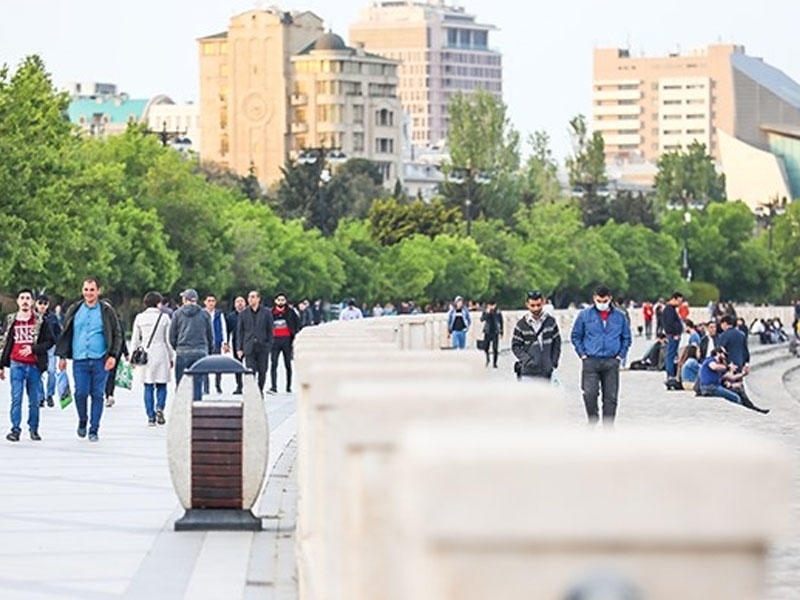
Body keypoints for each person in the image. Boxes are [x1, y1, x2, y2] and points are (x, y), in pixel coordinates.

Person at [56, 278, 124, 442]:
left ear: (98, 291)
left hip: (100, 358)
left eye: (92, 289)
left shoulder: (106, 310)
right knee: (80, 393)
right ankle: (82, 420)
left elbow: (117, 334)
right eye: (86, 289)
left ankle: (94, 428)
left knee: (97, 395)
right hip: (80, 359)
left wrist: (113, 356)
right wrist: (62, 356)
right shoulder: (75, 309)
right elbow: (66, 333)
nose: (88, 293)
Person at [570, 285, 632, 425]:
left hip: (611, 360)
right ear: (594, 298)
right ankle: (593, 418)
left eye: (604, 301)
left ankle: (608, 425)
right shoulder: (584, 315)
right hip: (591, 360)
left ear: (609, 299)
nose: (601, 304)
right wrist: (582, 354)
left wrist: (620, 355)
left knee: (611, 397)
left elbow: (626, 337)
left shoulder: (620, 317)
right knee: (589, 393)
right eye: (599, 300)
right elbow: (575, 336)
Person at [0, 289, 56, 442]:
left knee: (34, 400)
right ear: (18, 301)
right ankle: (15, 429)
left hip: (33, 365)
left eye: (28, 298)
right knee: (16, 398)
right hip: (16, 364)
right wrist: (1, 365)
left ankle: (33, 428)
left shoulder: (40, 321)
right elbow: (6, 343)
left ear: (32, 302)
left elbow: (50, 341)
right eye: (22, 298)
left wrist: (33, 349)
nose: (25, 301)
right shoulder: (11, 319)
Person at [131, 291, 174, 426]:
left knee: (148, 385)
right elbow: (168, 340)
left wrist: (133, 356)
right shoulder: (165, 318)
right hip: (161, 352)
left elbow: (135, 339)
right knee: (162, 384)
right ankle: (160, 407)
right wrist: (171, 356)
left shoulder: (139, 317)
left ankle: (150, 416)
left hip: (146, 353)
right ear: (158, 303)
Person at [169, 288, 213, 402]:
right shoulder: (205, 314)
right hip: (200, 352)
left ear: (185, 299)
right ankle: (196, 406)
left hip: (182, 351)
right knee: (198, 381)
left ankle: (181, 405)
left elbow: (172, 335)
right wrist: (209, 350)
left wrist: (177, 347)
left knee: (181, 381)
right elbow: (210, 335)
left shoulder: (177, 314)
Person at [697, 347, 768, 413]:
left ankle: (751, 408)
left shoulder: (720, 366)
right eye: (724, 354)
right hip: (710, 388)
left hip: (716, 387)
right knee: (736, 398)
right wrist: (728, 367)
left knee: (739, 389)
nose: (725, 357)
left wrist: (743, 374)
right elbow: (714, 367)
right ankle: (743, 412)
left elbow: (731, 377)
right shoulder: (710, 360)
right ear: (718, 353)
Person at [511, 291, 560, 380]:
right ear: (527, 305)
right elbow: (515, 346)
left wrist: (553, 362)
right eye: (532, 306)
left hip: (547, 372)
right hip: (528, 372)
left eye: (538, 305)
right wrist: (527, 360)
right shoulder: (521, 325)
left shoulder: (551, 322)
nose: (536, 309)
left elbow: (557, 343)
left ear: (543, 302)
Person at [236, 290, 274, 396]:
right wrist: (239, 348)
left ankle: (260, 389)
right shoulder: (243, 313)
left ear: (258, 299)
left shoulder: (266, 312)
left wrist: (269, 344)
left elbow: (270, 330)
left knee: (262, 370)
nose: (250, 299)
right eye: (249, 297)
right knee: (250, 370)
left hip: (263, 346)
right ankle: (253, 391)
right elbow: (240, 332)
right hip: (249, 346)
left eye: (253, 297)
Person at [270, 292, 301, 394]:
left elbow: (297, 325)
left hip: (287, 340)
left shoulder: (291, 312)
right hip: (275, 341)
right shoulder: (271, 313)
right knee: (274, 363)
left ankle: (288, 386)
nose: (280, 302)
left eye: (282, 300)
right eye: (279, 300)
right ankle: (273, 386)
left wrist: (294, 337)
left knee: (288, 363)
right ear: (275, 301)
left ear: (285, 301)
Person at [34, 294, 61, 408]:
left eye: (45, 304)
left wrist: (60, 346)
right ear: (35, 303)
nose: (42, 306)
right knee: (37, 373)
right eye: (40, 303)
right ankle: (40, 396)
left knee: (51, 371)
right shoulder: (32, 317)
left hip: (51, 346)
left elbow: (58, 332)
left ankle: (50, 394)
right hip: (37, 347)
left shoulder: (52, 317)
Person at [203, 293, 228, 395]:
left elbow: (223, 328)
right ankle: (206, 387)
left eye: (213, 301)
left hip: (216, 342)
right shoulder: (202, 313)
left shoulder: (219, 314)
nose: (211, 303)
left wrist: (225, 342)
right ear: (205, 302)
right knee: (204, 366)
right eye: (209, 301)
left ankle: (218, 385)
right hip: (205, 342)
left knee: (218, 365)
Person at [226, 295, 246, 394]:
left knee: (251, 365)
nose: (240, 303)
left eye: (241, 301)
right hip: (236, 343)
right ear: (234, 304)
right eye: (237, 302)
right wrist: (226, 343)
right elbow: (227, 331)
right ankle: (239, 385)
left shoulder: (249, 314)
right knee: (237, 365)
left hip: (248, 342)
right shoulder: (231, 316)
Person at [662, 292, 684, 379]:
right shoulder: (669, 310)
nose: (680, 303)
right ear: (674, 299)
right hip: (672, 335)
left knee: (672, 354)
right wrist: (675, 333)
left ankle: (671, 373)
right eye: (679, 301)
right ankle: (670, 373)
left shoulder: (671, 309)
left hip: (673, 335)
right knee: (670, 355)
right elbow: (670, 323)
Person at [103, 335, 129, 407]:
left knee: (111, 373)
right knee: (109, 374)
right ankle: (107, 394)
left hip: (114, 351)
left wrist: (126, 352)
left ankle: (109, 394)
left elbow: (120, 335)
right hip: (103, 349)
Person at [480, 300, 504, 368]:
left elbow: (501, 322)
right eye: (490, 305)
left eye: (492, 305)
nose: (491, 307)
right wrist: (487, 313)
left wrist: (501, 331)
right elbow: (482, 319)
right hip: (487, 331)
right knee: (485, 347)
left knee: (495, 348)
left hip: (495, 332)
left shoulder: (498, 312)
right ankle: (487, 359)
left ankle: (495, 363)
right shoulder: (486, 311)